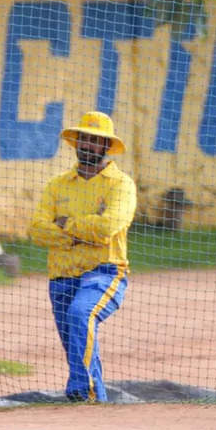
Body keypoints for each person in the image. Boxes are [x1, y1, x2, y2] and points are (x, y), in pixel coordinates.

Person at [28, 111, 136, 402]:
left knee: (81, 315)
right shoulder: (57, 184)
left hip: (105, 272)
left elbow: (109, 227)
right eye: (83, 140)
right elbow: (37, 231)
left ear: (106, 147)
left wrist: (66, 225)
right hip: (61, 276)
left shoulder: (121, 184)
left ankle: (81, 392)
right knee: (77, 343)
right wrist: (85, 230)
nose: (87, 146)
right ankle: (95, 401)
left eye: (95, 141)